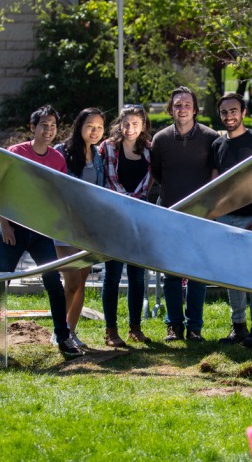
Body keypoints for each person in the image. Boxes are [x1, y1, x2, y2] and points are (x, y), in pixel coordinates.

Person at [0, 104, 84, 359]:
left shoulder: (57, 159)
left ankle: (63, 337)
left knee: (54, 284)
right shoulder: (17, 153)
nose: (48, 130)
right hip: (14, 230)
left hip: (41, 231)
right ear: (32, 127)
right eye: (44, 125)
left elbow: (59, 195)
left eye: (53, 126)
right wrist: (5, 225)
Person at [151, 86, 219, 342]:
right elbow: (158, 173)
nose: (182, 109)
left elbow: (215, 175)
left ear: (195, 109)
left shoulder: (210, 137)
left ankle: (194, 327)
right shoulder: (161, 140)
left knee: (197, 275)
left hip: (200, 217)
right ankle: (173, 325)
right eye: (178, 105)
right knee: (171, 274)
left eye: (187, 105)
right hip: (170, 214)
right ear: (171, 109)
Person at [211, 93, 252, 347]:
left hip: (251, 218)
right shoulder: (217, 145)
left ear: (243, 112)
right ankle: (238, 327)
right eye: (224, 112)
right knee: (232, 275)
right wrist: (215, 216)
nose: (229, 116)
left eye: (233, 111)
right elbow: (214, 184)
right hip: (226, 219)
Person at [99, 105, 154, 347]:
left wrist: (136, 202)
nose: (130, 128)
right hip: (114, 217)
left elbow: (149, 182)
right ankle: (111, 330)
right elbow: (105, 179)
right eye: (126, 123)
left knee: (137, 276)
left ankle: (135, 328)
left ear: (143, 126)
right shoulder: (108, 148)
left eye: (135, 124)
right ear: (120, 125)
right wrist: (125, 200)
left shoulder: (150, 150)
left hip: (139, 219)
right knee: (112, 275)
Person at [53, 107, 106, 348]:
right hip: (65, 226)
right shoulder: (62, 152)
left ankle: (71, 331)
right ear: (79, 127)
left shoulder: (98, 155)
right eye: (90, 126)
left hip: (88, 228)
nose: (95, 131)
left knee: (81, 282)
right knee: (71, 280)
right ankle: (59, 331)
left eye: (99, 127)